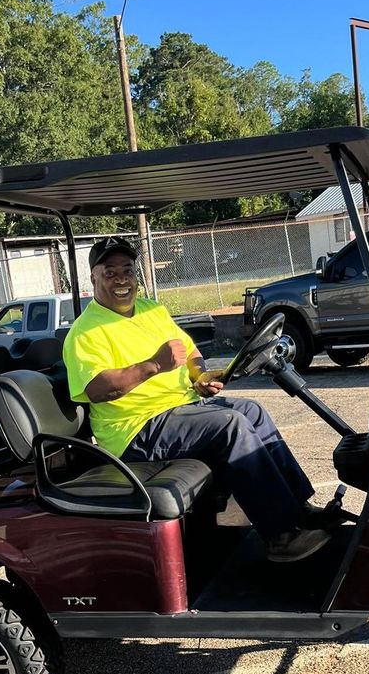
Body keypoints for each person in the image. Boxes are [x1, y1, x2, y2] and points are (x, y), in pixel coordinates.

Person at [62, 236, 332, 562]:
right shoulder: (85, 331)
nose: (121, 280)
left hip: (179, 409)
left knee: (253, 410)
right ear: (93, 278)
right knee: (229, 425)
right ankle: (281, 536)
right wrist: (153, 365)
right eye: (110, 272)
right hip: (134, 428)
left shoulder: (151, 310)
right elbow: (97, 388)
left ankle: (298, 508)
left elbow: (190, 351)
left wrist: (200, 376)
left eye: (128, 271)